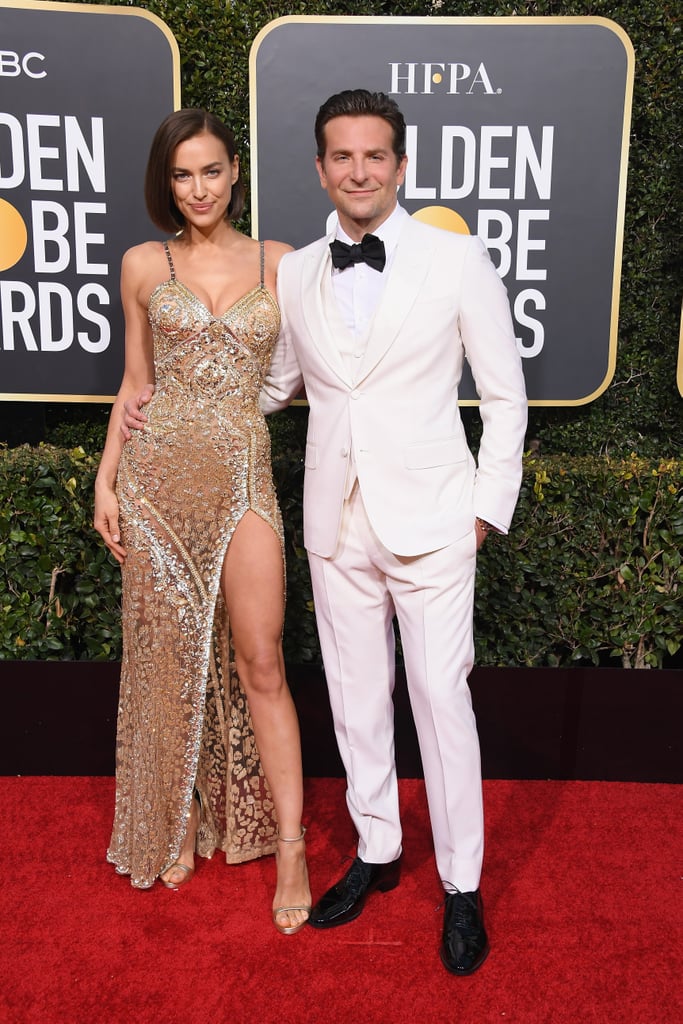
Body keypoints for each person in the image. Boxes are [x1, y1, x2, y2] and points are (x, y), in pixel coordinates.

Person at [125, 89, 528, 974]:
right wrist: (179, 404)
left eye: (374, 156)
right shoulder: (297, 271)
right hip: (332, 521)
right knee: (354, 699)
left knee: (439, 700)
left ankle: (461, 886)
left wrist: (480, 514)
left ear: (400, 165)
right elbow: (275, 387)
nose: (357, 170)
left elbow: (504, 398)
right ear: (319, 168)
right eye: (340, 157)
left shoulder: (457, 262)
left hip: (431, 522)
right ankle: (377, 849)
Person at [93, 109, 311, 935]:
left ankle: (288, 843)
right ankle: (177, 815)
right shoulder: (145, 264)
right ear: (167, 181)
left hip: (245, 476)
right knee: (166, 659)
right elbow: (134, 384)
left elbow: (304, 375)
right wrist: (107, 482)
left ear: (234, 173)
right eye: (182, 176)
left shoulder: (282, 263)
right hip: (155, 484)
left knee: (261, 660)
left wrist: (240, 414)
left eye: (211, 171)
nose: (198, 190)